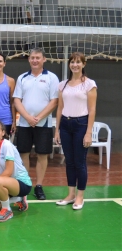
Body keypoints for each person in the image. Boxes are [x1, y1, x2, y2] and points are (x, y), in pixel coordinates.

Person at [13, 47, 59, 200]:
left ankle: (39, 186)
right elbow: (17, 100)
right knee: (23, 153)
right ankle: (26, 185)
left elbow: (54, 101)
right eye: (32, 57)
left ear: (44, 59)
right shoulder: (22, 78)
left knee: (42, 154)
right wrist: (27, 117)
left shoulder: (52, 77)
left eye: (38, 57)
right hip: (24, 124)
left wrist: (38, 118)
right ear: (29, 59)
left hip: (43, 124)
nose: (35, 60)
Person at [54, 52, 97, 210]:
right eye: (72, 62)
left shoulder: (89, 84)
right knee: (69, 162)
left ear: (84, 64)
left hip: (81, 124)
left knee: (80, 163)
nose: (75, 65)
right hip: (66, 124)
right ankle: (71, 194)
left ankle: (80, 196)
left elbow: (92, 110)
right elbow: (60, 108)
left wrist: (88, 132)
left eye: (78, 62)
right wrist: (57, 130)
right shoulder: (63, 85)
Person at [0, 120, 32, 222]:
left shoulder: (7, 145)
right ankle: (19, 199)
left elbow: (9, 171)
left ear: (3, 132)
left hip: (21, 183)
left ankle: (7, 210)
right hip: (7, 183)